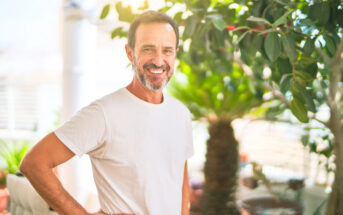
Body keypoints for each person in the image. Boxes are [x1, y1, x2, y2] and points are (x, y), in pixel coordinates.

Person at [20, 10, 193, 215]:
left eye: (167, 50)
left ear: (175, 53)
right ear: (130, 53)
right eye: (148, 49)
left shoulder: (180, 114)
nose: (158, 60)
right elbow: (34, 163)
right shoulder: (103, 114)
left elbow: (180, 179)